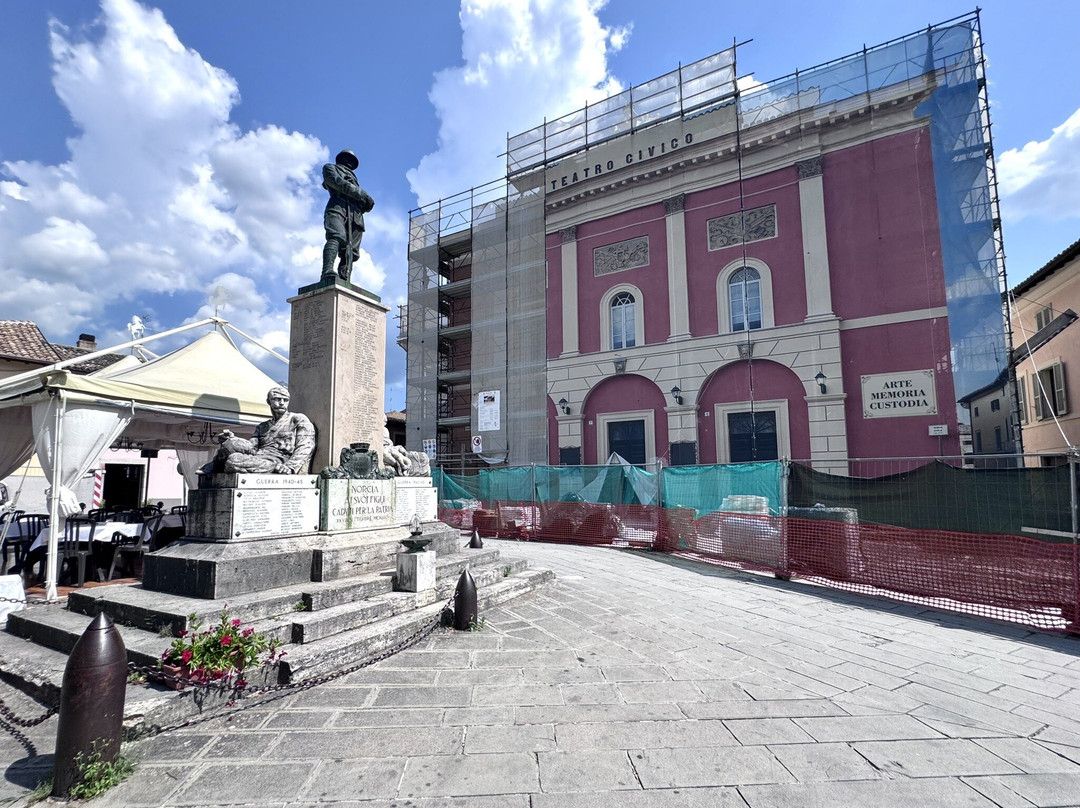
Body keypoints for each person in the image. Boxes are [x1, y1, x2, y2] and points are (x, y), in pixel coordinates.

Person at [201, 387, 316, 475]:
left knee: (233, 460)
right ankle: (216, 464)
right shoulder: (262, 426)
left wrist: (290, 466)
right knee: (230, 443)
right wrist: (231, 438)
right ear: (268, 401)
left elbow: (306, 445)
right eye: (277, 399)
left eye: (285, 400)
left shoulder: (297, 419)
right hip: (258, 456)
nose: (282, 403)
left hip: (279, 460)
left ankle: (218, 465)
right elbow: (251, 447)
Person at [322, 149, 374, 283]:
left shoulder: (356, 181)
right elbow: (337, 182)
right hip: (337, 207)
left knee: (352, 251)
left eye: (352, 160)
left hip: (356, 215)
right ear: (340, 159)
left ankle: (344, 279)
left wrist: (365, 202)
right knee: (336, 236)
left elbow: (366, 204)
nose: (349, 162)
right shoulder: (330, 168)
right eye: (346, 158)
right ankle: (327, 271)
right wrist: (361, 194)